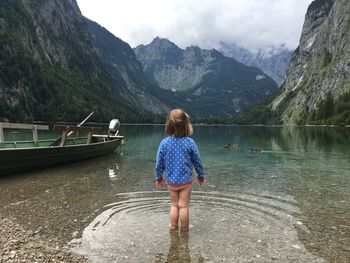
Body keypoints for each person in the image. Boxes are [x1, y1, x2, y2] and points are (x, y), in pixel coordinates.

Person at [155, 109, 205, 231]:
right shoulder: (190, 142)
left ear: (169, 125)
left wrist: (158, 177)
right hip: (185, 182)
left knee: (174, 205)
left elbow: (159, 162)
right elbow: (197, 161)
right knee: (183, 206)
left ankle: (173, 226)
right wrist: (200, 175)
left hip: (171, 181)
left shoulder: (164, 143)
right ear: (186, 125)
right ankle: (185, 228)